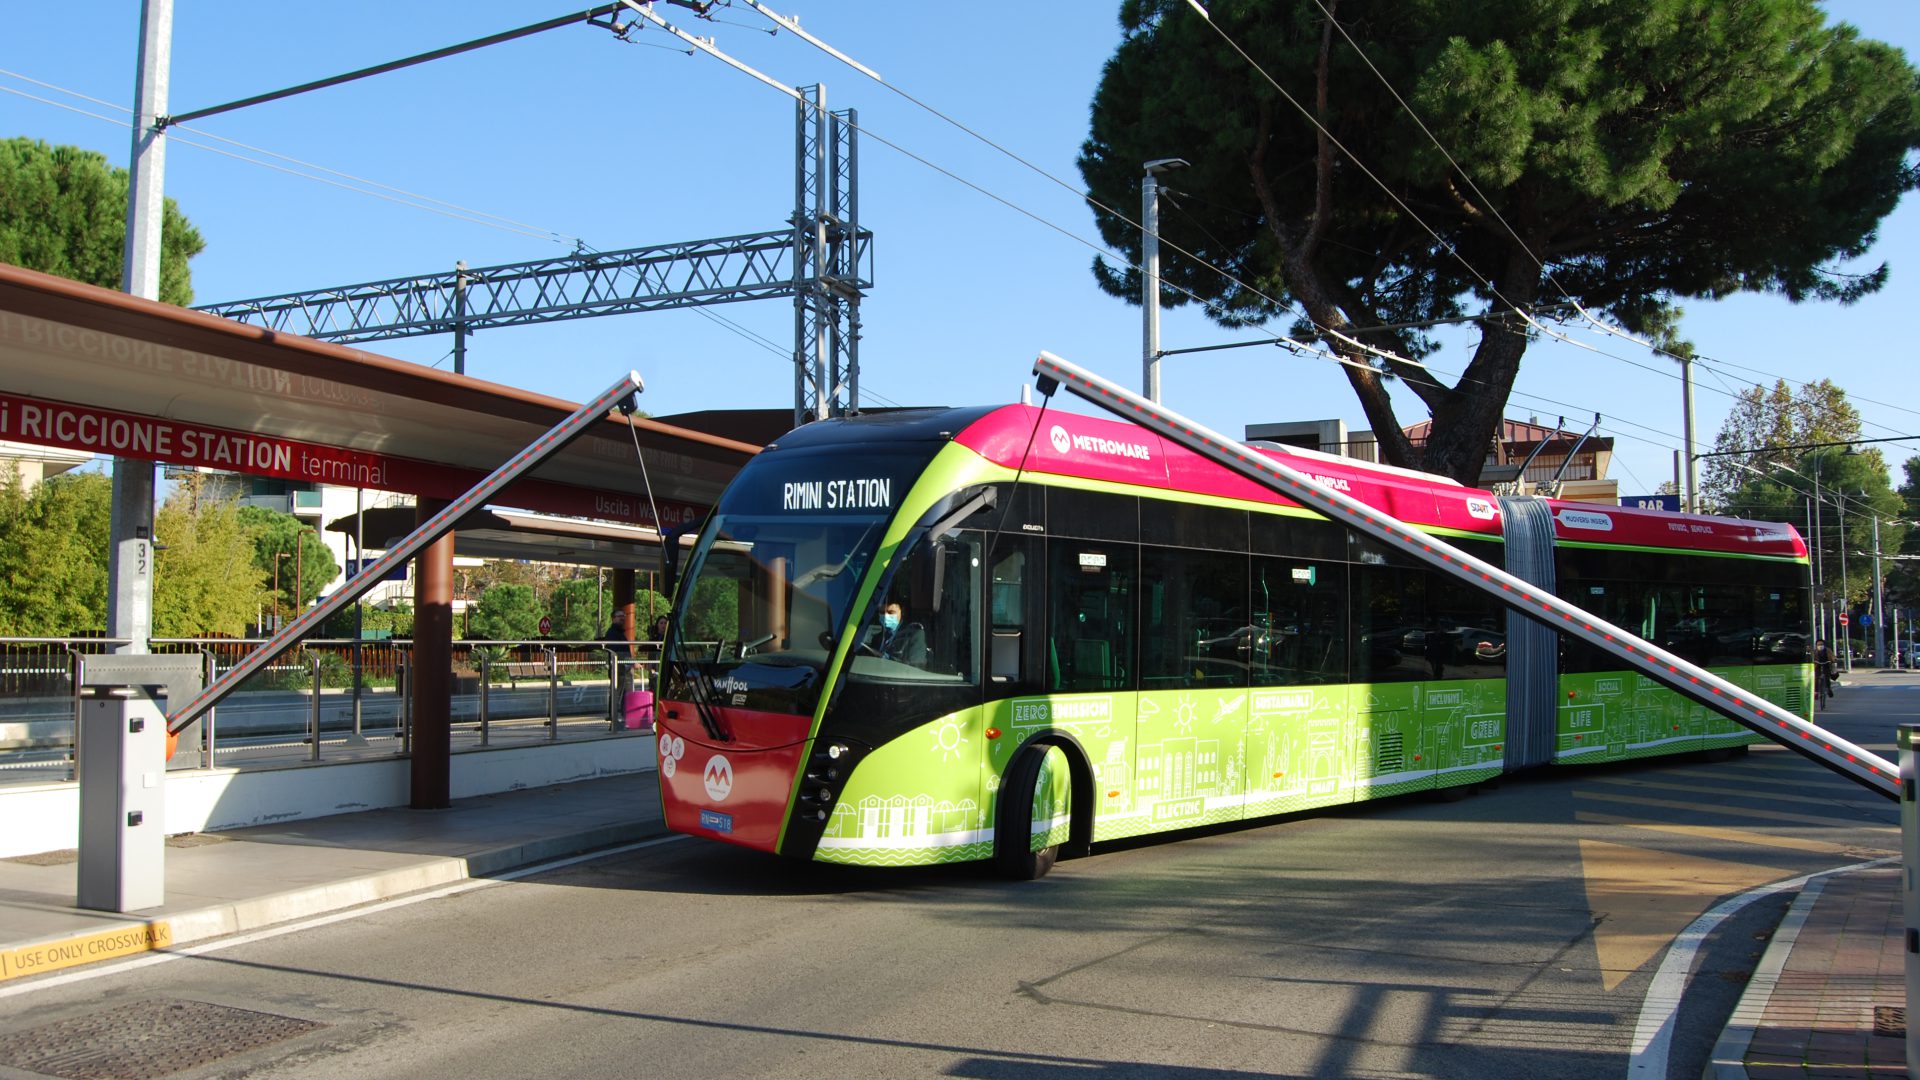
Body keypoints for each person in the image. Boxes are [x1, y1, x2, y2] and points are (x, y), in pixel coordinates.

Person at [863, 600, 928, 666]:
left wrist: (886, 658)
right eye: (882, 612)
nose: (885, 616)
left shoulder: (915, 635)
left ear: (902, 611)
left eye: (891, 612)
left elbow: (915, 667)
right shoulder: (877, 638)